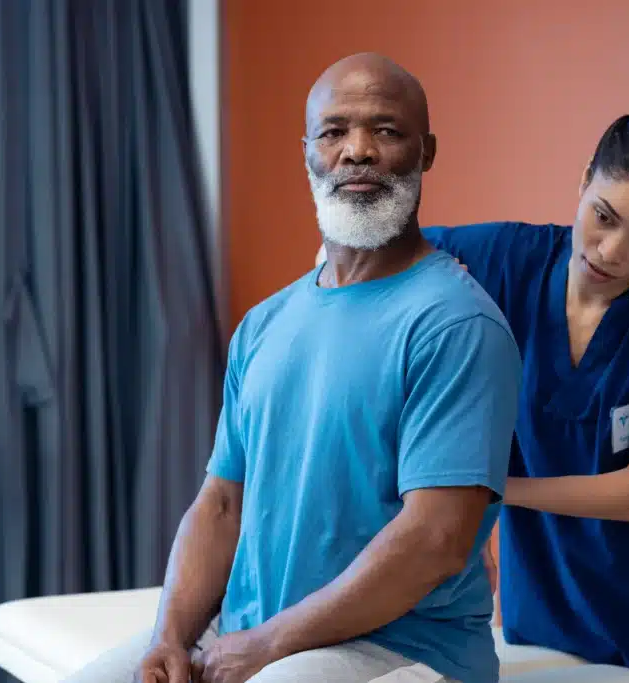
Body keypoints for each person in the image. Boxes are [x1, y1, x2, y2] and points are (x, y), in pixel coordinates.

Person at [66, 53, 521, 683]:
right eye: (334, 132)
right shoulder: (263, 325)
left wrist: (265, 648)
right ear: (307, 151)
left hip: (402, 650)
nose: (357, 150)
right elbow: (221, 503)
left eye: (386, 131)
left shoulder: (456, 325)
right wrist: (170, 634)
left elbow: (433, 542)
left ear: (427, 151)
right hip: (246, 630)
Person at [417, 111, 629, 683]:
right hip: (542, 626)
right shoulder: (509, 259)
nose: (611, 251)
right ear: (583, 180)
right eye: (603, 217)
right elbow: (354, 261)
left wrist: (482, 492)